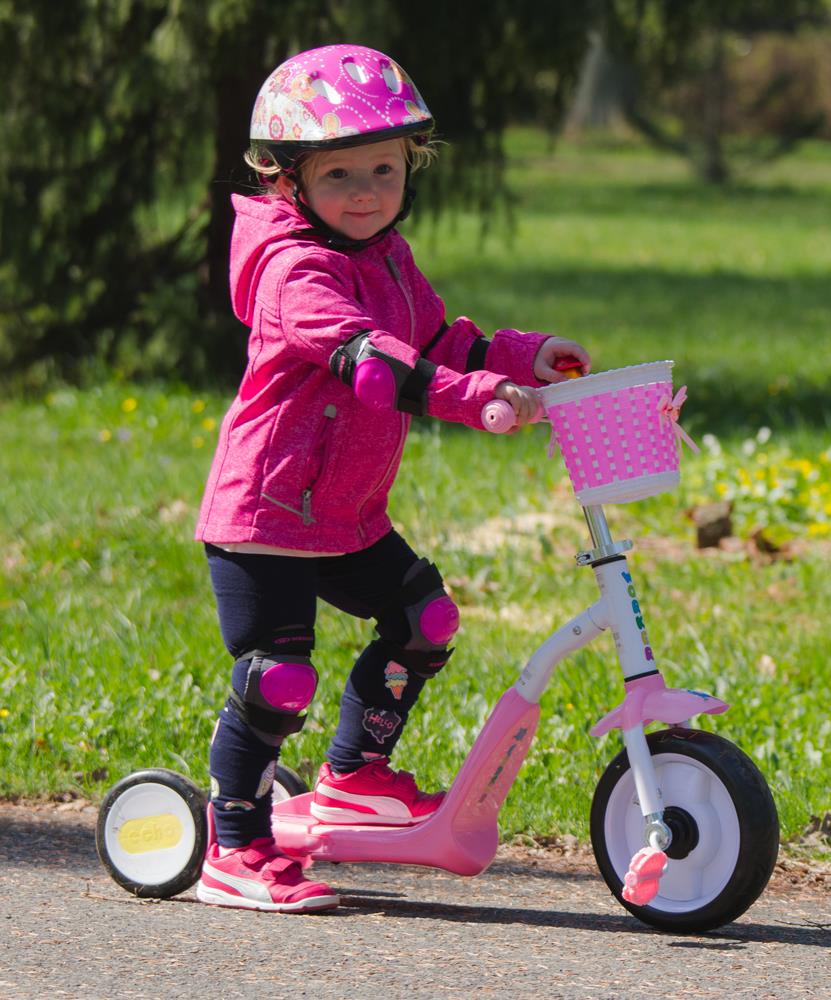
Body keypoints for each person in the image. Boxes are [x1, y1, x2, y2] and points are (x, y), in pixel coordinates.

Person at [193, 43, 590, 912]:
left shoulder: (387, 256)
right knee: (278, 680)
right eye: (341, 174)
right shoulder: (294, 269)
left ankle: (351, 776)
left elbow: (439, 338)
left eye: (385, 167)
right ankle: (234, 842)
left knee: (425, 619)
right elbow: (374, 365)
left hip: (344, 512)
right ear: (288, 180)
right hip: (267, 510)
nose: (368, 190)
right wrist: (475, 398)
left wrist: (524, 355)